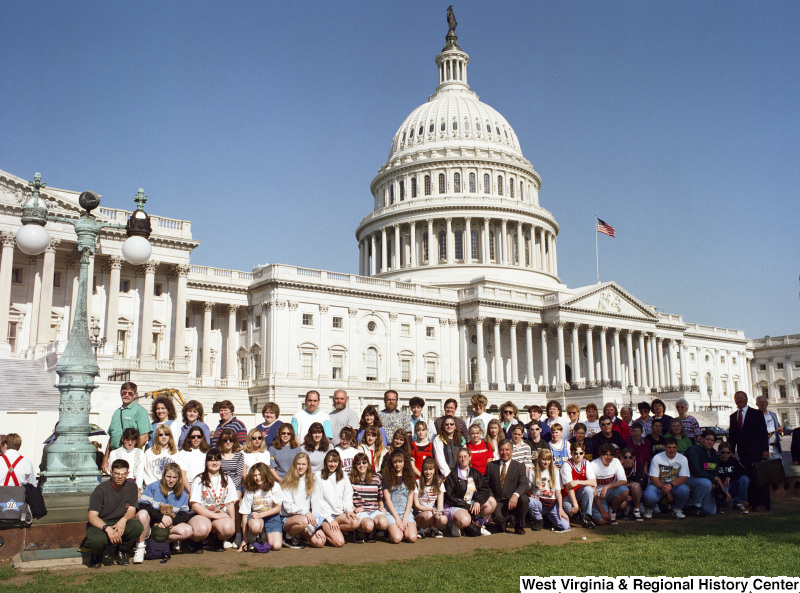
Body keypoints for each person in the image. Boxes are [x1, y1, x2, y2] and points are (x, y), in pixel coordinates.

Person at [86, 459, 144, 567]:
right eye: (117, 473)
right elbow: (92, 517)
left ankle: (121, 551)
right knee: (95, 540)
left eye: (123, 474)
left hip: (119, 521)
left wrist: (124, 520)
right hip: (102, 523)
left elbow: (132, 510)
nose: (120, 477)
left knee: (137, 526)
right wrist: (107, 528)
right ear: (111, 473)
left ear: (127, 473)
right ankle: (97, 554)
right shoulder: (101, 490)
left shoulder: (132, 487)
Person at [133, 462, 192, 563]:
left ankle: (155, 541)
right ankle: (140, 548)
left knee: (187, 530)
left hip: (167, 526)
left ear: (179, 478)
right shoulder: (153, 487)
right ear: (164, 475)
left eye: (174, 477)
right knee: (142, 514)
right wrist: (161, 517)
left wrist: (168, 521)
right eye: (168, 476)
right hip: (150, 524)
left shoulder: (182, 494)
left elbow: (184, 515)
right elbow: (142, 505)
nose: (171, 480)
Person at [188, 449, 238, 552]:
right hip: (200, 515)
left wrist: (232, 522)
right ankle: (196, 542)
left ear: (221, 462)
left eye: (217, 460)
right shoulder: (199, 479)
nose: (214, 463)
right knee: (201, 529)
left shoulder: (227, 479)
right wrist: (215, 516)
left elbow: (229, 504)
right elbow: (195, 506)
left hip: (220, 514)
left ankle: (217, 540)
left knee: (228, 528)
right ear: (206, 462)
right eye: (211, 460)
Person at [728, 391, 770, 511]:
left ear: (746, 399)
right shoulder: (733, 416)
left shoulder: (756, 414)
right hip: (743, 454)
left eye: (742, 398)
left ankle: (763, 503)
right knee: (748, 478)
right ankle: (752, 503)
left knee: (760, 477)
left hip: (757, 452)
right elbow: (732, 436)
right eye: (737, 398)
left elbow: (763, 433)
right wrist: (730, 450)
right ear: (735, 400)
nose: (739, 400)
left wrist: (765, 450)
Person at [443, 447, 495, 537]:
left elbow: (485, 489)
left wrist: (478, 501)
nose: (463, 459)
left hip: (471, 503)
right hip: (456, 505)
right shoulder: (452, 475)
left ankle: (478, 525)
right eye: (460, 457)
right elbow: (450, 496)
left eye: (465, 456)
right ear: (458, 459)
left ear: (470, 457)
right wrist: (466, 505)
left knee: (492, 502)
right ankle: (455, 524)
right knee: (465, 521)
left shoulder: (475, 473)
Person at [313, 450, 358, 547]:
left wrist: (349, 510)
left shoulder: (343, 475)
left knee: (355, 522)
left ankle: (334, 529)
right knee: (339, 543)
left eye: (335, 462)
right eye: (330, 461)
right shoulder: (318, 475)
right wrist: (329, 519)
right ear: (326, 462)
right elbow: (318, 501)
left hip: (338, 514)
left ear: (338, 463)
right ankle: (323, 528)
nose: (332, 464)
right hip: (325, 516)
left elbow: (348, 495)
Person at [102, 382, 150, 474]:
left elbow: (144, 437)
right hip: (115, 456)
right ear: (120, 393)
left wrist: (133, 452)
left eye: (130, 393)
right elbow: (112, 437)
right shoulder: (116, 412)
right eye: (124, 392)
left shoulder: (140, 411)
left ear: (134, 395)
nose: (127, 395)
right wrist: (105, 459)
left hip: (130, 456)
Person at [280, 453, 324, 549]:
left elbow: (316, 504)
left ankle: (299, 535)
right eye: (298, 464)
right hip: (289, 519)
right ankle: (288, 537)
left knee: (319, 542)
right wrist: (305, 512)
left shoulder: (313, 480)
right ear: (294, 464)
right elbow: (288, 506)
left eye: (303, 464)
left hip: (305, 519)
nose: (300, 467)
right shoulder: (286, 481)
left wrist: (318, 527)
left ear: (308, 466)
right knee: (303, 521)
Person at [485, 440, 529, 535]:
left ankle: (519, 526)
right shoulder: (491, 466)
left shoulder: (520, 466)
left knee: (525, 499)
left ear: (512, 451)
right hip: (499, 500)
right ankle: (503, 520)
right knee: (500, 526)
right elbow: (486, 485)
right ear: (498, 452)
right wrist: (491, 498)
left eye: (507, 450)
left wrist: (515, 495)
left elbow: (524, 484)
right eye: (501, 450)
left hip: (514, 499)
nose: (504, 453)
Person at [239, 462, 283, 552]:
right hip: (255, 516)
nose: (258, 478)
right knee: (255, 526)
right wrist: (244, 540)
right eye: (254, 475)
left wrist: (262, 515)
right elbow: (244, 515)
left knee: (276, 546)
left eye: (260, 474)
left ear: (265, 473)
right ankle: (253, 538)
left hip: (271, 516)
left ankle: (264, 536)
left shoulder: (274, 486)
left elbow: (277, 508)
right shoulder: (250, 489)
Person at [643, 438, 690, 520]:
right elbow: (653, 478)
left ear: (677, 447)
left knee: (684, 489)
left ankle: (677, 508)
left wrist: (670, 485)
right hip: (658, 484)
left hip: (674, 484)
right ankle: (650, 508)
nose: (672, 450)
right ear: (664, 447)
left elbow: (683, 478)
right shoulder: (657, 458)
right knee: (649, 496)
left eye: (674, 447)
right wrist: (666, 491)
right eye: (669, 447)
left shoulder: (682, 458)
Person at [527, 449, 570, 532]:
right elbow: (527, 489)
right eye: (543, 459)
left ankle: (549, 518)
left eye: (548, 460)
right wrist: (532, 495)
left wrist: (560, 509)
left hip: (552, 503)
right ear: (539, 459)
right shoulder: (533, 471)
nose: (546, 462)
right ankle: (539, 519)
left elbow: (558, 493)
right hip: (540, 502)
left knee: (565, 526)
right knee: (529, 501)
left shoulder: (555, 471)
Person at [350, 451, 388, 543]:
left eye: (364, 462)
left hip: (373, 510)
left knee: (383, 523)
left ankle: (371, 531)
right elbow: (346, 499)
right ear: (355, 465)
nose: (361, 465)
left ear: (368, 464)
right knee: (368, 525)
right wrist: (354, 508)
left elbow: (380, 498)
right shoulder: (350, 480)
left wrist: (382, 506)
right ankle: (360, 530)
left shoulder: (376, 479)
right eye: (358, 463)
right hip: (360, 511)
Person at [382, 450, 418, 543]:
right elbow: (387, 500)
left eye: (400, 461)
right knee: (397, 538)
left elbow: (410, 499)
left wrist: (405, 517)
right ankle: (390, 531)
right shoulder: (386, 477)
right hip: (392, 512)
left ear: (404, 462)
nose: (397, 464)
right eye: (395, 462)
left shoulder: (410, 476)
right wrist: (397, 519)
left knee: (412, 537)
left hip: (406, 511)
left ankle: (404, 529)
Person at [590, 444, 629, 526]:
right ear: (601, 455)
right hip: (597, 496)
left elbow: (623, 480)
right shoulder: (593, 464)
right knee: (602, 521)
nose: (608, 457)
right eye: (606, 455)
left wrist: (607, 487)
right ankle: (599, 512)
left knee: (624, 490)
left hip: (609, 492)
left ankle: (612, 511)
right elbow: (592, 491)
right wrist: (602, 511)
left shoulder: (616, 461)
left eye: (611, 455)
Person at [560, 442, 596, 529]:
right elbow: (569, 488)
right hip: (567, 494)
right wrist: (575, 505)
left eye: (581, 453)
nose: (578, 456)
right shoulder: (566, 465)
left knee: (589, 490)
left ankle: (587, 517)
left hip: (579, 491)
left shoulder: (586, 463)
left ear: (584, 453)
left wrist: (578, 482)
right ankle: (577, 514)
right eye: (575, 453)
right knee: (570, 510)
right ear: (571, 453)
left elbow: (593, 482)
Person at [684, 429, 718, 517]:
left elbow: (715, 470)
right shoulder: (694, 450)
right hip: (689, 478)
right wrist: (712, 478)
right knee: (706, 483)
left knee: (710, 511)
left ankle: (692, 502)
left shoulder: (713, 452)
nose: (710, 442)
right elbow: (696, 470)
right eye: (707, 439)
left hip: (705, 481)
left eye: (712, 440)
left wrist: (714, 482)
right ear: (701, 439)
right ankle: (693, 506)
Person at [414, 457, 447, 538]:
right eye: (425, 469)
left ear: (434, 470)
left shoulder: (439, 484)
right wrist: (431, 510)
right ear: (423, 470)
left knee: (444, 519)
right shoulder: (417, 483)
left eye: (430, 469)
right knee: (428, 515)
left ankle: (433, 529)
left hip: (433, 512)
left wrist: (439, 513)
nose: (428, 472)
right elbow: (417, 505)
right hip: (419, 514)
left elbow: (440, 505)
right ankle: (421, 529)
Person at [715, 442, 750, 514]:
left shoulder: (733, 460)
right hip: (720, 486)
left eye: (728, 453)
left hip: (732, 485)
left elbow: (744, 471)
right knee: (724, 502)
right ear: (718, 452)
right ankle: (721, 505)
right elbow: (709, 472)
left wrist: (730, 476)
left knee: (745, 479)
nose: (725, 455)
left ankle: (739, 503)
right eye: (723, 452)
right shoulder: (714, 461)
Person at [177, 426, 210, 494]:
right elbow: (182, 475)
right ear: (189, 438)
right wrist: (191, 491)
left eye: (199, 436)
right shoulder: (183, 453)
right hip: (188, 486)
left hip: (204, 485)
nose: (196, 439)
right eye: (193, 437)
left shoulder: (206, 453)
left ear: (202, 438)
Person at [619, 447, 645, 521]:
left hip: (635, 491)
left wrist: (624, 485)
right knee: (622, 505)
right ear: (621, 457)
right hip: (622, 491)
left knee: (635, 486)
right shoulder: (618, 465)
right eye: (625, 457)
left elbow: (638, 483)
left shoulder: (638, 464)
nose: (628, 460)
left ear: (634, 458)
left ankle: (636, 510)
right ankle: (626, 508)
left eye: (630, 457)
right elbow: (615, 483)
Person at [217, 428, 245, 492]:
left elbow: (239, 475)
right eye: (225, 440)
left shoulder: (239, 456)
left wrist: (230, 487)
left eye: (231, 440)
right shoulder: (217, 456)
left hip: (235, 486)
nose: (228, 442)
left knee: (235, 500)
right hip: (220, 485)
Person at [756, 395, 783, 460]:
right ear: (757, 404)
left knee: (778, 467)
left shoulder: (773, 414)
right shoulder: (754, 416)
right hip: (762, 448)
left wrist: (780, 431)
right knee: (765, 468)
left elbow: (778, 427)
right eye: (760, 402)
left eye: (764, 402)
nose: (763, 404)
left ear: (767, 403)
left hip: (774, 447)